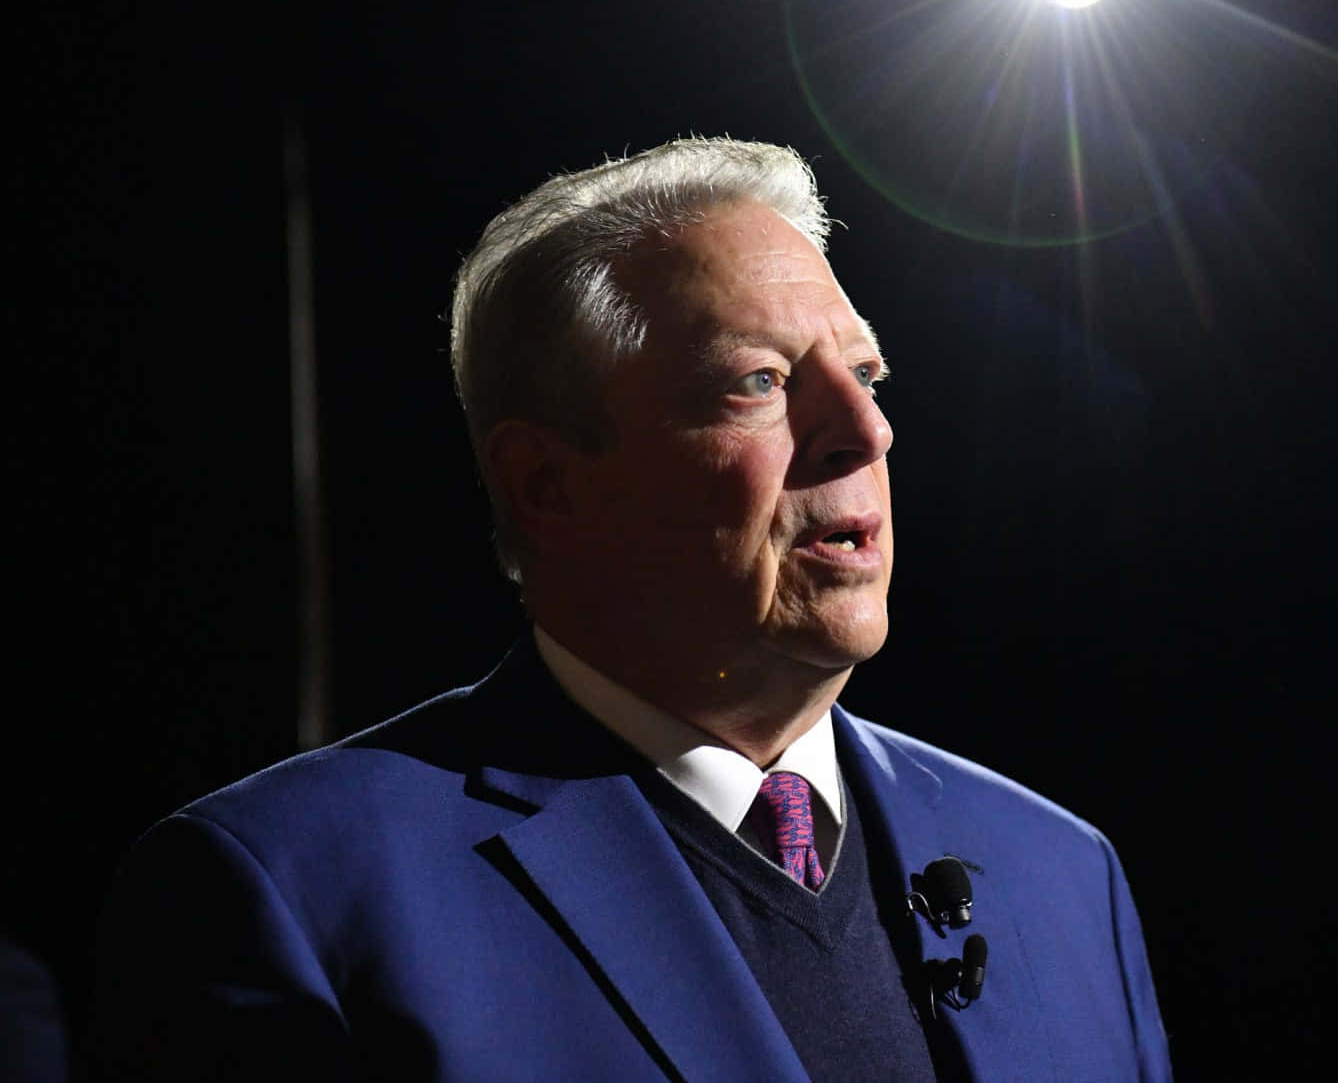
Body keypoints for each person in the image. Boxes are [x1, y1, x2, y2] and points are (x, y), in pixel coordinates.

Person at [93, 136, 1171, 1080]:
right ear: (547, 484)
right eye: (756, 381)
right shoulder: (289, 893)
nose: (862, 431)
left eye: (866, 375)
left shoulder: (1060, 872)